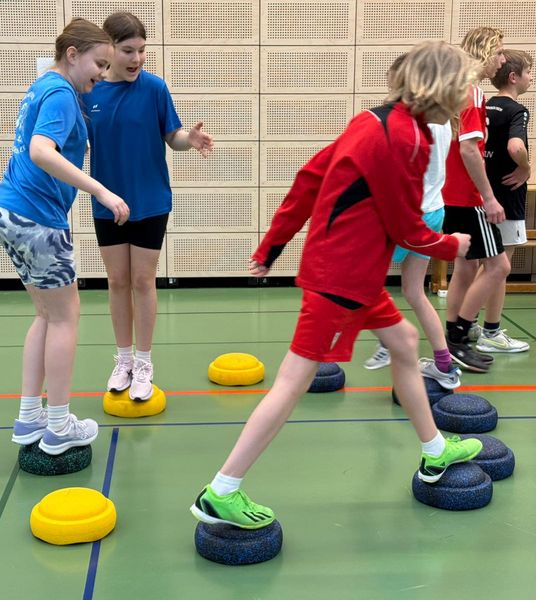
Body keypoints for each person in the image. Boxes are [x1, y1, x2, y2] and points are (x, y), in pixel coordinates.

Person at [190, 41, 483, 529]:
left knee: (404, 341)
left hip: (351, 272)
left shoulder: (371, 120)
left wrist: (272, 245)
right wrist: (451, 244)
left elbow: (309, 177)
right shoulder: (408, 140)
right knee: (292, 382)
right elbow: (407, 228)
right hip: (342, 280)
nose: (464, 100)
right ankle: (222, 490)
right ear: (443, 89)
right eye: (463, 90)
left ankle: (434, 451)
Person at [0, 19, 130, 455]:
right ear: (72, 54)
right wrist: (101, 190)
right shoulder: (62, 94)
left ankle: (29, 417)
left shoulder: (43, 86)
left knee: (46, 315)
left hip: (6, 212)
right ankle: (57, 425)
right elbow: (40, 150)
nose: (102, 73)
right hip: (36, 220)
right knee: (66, 317)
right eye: (99, 64)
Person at [82, 12, 214, 401]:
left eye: (142, 50)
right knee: (117, 281)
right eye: (128, 51)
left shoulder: (155, 88)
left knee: (142, 280)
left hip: (151, 200)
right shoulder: (90, 92)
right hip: (108, 202)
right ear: (109, 49)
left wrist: (189, 139)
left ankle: (143, 362)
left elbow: (172, 136)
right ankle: (122, 360)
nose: (137, 58)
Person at [364, 55, 461, 391]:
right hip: (434, 212)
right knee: (414, 292)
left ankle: (388, 339)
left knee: (363, 281)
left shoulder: (411, 124)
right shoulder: (444, 118)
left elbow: (395, 172)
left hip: (407, 215)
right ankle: (445, 364)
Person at [441, 27, 521, 372]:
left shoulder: (453, 89)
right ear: (485, 52)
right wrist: (488, 197)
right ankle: (459, 337)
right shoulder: (471, 93)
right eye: (499, 52)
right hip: (466, 196)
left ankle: (451, 339)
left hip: (448, 194)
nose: (501, 60)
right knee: (499, 267)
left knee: (466, 267)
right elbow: (469, 149)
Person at [474, 49, 532, 354]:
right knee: (499, 268)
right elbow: (515, 147)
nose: (531, 77)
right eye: (528, 72)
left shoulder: (482, 105)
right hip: (506, 200)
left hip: (479, 196)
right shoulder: (517, 110)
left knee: (481, 265)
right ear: (513, 77)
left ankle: (467, 323)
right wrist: (526, 167)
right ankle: (491, 331)